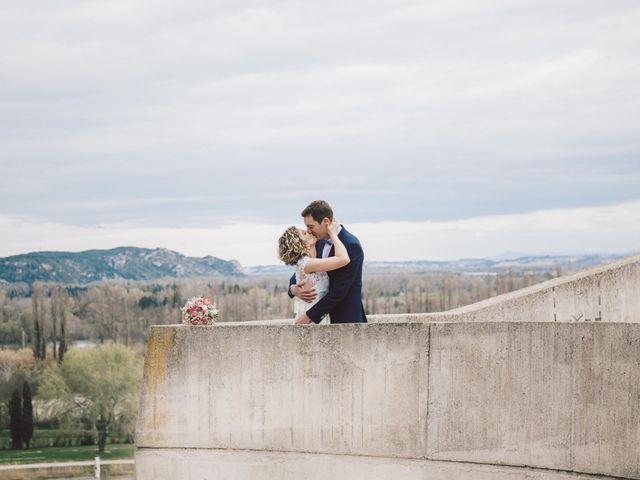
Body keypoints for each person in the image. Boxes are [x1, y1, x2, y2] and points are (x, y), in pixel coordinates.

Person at [289, 200, 367, 324]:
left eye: (311, 226)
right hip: (320, 319)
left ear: (325, 222)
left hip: (345, 321)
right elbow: (303, 268)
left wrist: (309, 317)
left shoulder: (351, 245)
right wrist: (293, 288)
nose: (308, 231)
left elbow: (339, 290)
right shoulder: (317, 241)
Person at [278, 220, 349, 324]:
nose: (309, 231)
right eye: (304, 233)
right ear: (300, 243)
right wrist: (333, 235)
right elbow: (343, 259)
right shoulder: (306, 264)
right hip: (310, 319)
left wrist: (293, 288)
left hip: (318, 317)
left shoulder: (309, 261)